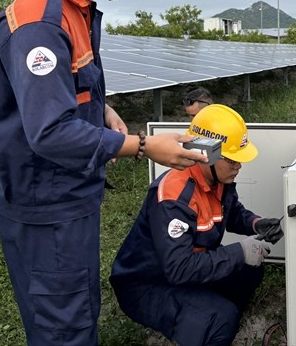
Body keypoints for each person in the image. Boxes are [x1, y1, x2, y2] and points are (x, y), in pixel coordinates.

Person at [0, 0, 208, 346]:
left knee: (76, 313)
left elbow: (58, 90)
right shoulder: (41, 23)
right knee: (63, 330)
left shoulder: (74, 10)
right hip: (47, 206)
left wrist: (99, 108)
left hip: (68, 197)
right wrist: (145, 147)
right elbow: (50, 133)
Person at [110, 104, 284, 346]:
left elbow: (230, 212)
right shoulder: (175, 198)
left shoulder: (219, 178)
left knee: (249, 271)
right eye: (232, 160)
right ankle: (208, 321)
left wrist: (256, 224)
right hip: (148, 286)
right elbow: (179, 269)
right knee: (221, 319)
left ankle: (203, 313)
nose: (238, 166)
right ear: (206, 152)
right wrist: (238, 252)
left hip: (182, 271)